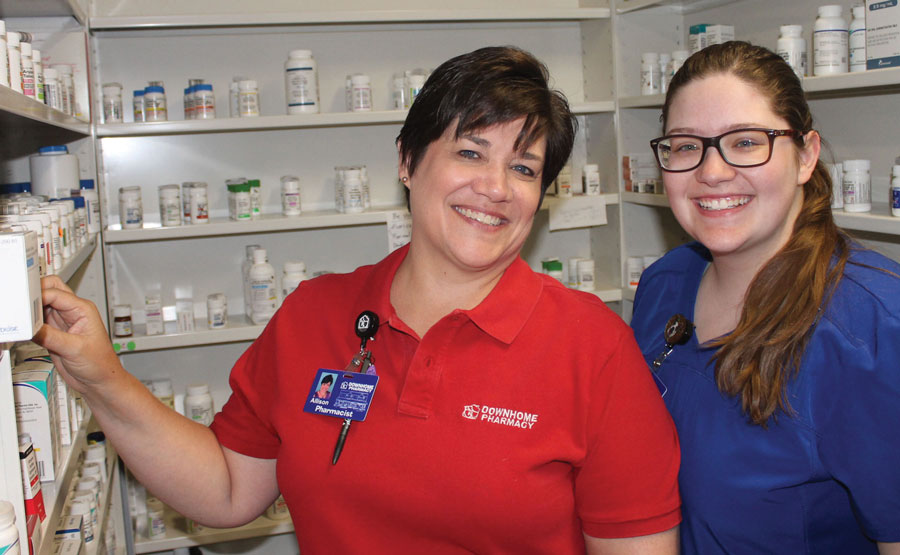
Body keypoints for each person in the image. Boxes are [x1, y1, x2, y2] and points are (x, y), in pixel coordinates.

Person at [36, 46, 681, 553]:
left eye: (523, 168)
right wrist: (103, 379)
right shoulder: (314, 315)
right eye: (470, 152)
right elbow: (228, 489)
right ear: (407, 161)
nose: (495, 187)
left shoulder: (591, 347)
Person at [631, 41, 900, 554]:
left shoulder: (873, 327)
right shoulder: (665, 283)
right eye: (685, 146)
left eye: (746, 141)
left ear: (806, 156)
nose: (712, 172)